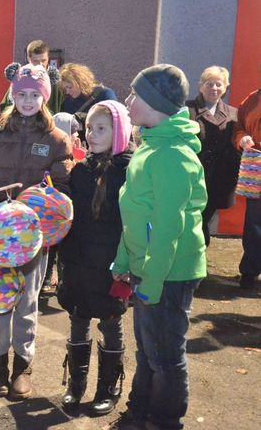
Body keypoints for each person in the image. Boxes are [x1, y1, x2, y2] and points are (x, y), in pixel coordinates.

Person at [109, 64, 206, 430]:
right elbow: (134, 213)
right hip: (147, 269)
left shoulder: (172, 155)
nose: (128, 101)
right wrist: (124, 260)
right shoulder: (151, 146)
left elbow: (167, 229)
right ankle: (139, 413)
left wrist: (151, 281)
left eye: (135, 95)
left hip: (168, 273)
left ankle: (164, 421)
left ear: (156, 104)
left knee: (165, 357)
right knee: (149, 352)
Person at [0, 63, 73, 400]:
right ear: (12, 95)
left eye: (35, 94)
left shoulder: (56, 139)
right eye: (21, 94)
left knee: (26, 303)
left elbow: (63, 188)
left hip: (33, 240)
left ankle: (22, 364)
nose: (27, 100)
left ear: (44, 98)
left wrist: (50, 198)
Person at [57, 101, 133, 416]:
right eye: (89, 128)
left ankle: (107, 386)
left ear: (120, 131)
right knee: (78, 318)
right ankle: (76, 384)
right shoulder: (81, 169)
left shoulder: (130, 170)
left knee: (111, 321)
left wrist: (127, 264)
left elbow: (131, 222)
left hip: (111, 264)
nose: (92, 134)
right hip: (78, 260)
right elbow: (70, 216)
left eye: (101, 128)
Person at [185, 66, 239, 247]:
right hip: (191, 176)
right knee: (193, 218)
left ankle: (197, 251)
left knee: (204, 217)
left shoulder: (233, 114)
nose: (214, 88)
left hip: (218, 179)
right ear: (201, 85)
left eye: (219, 84)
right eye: (209, 84)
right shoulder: (186, 110)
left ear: (226, 87)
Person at [233, 81, 261, 289]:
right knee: (254, 224)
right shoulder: (252, 100)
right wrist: (242, 139)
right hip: (256, 169)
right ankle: (250, 271)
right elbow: (238, 127)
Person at [0, 40, 63, 115]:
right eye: (35, 61)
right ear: (28, 59)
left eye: (43, 60)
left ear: (48, 58)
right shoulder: (20, 78)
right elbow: (6, 107)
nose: (40, 64)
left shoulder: (56, 82)